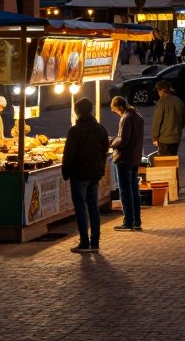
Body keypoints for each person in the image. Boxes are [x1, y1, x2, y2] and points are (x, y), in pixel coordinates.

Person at [62, 97, 110, 253]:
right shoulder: (101, 129)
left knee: (81, 208)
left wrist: (66, 171)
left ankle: (84, 242)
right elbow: (104, 151)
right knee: (93, 207)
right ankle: (95, 242)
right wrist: (100, 168)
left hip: (80, 174)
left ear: (77, 112)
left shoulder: (75, 131)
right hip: (94, 173)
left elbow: (69, 154)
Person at [110, 96, 145, 232]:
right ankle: (137, 220)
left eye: (114, 111)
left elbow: (123, 140)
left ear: (118, 108)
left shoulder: (126, 118)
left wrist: (112, 143)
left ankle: (128, 221)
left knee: (125, 190)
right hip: (135, 157)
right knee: (134, 189)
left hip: (125, 158)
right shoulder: (138, 116)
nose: (115, 113)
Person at [152, 82, 185, 156]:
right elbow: (184, 119)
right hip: (176, 137)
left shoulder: (161, 103)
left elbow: (157, 122)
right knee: (173, 161)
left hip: (164, 139)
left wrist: (155, 137)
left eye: (158, 91)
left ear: (162, 90)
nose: (158, 93)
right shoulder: (179, 101)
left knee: (165, 163)